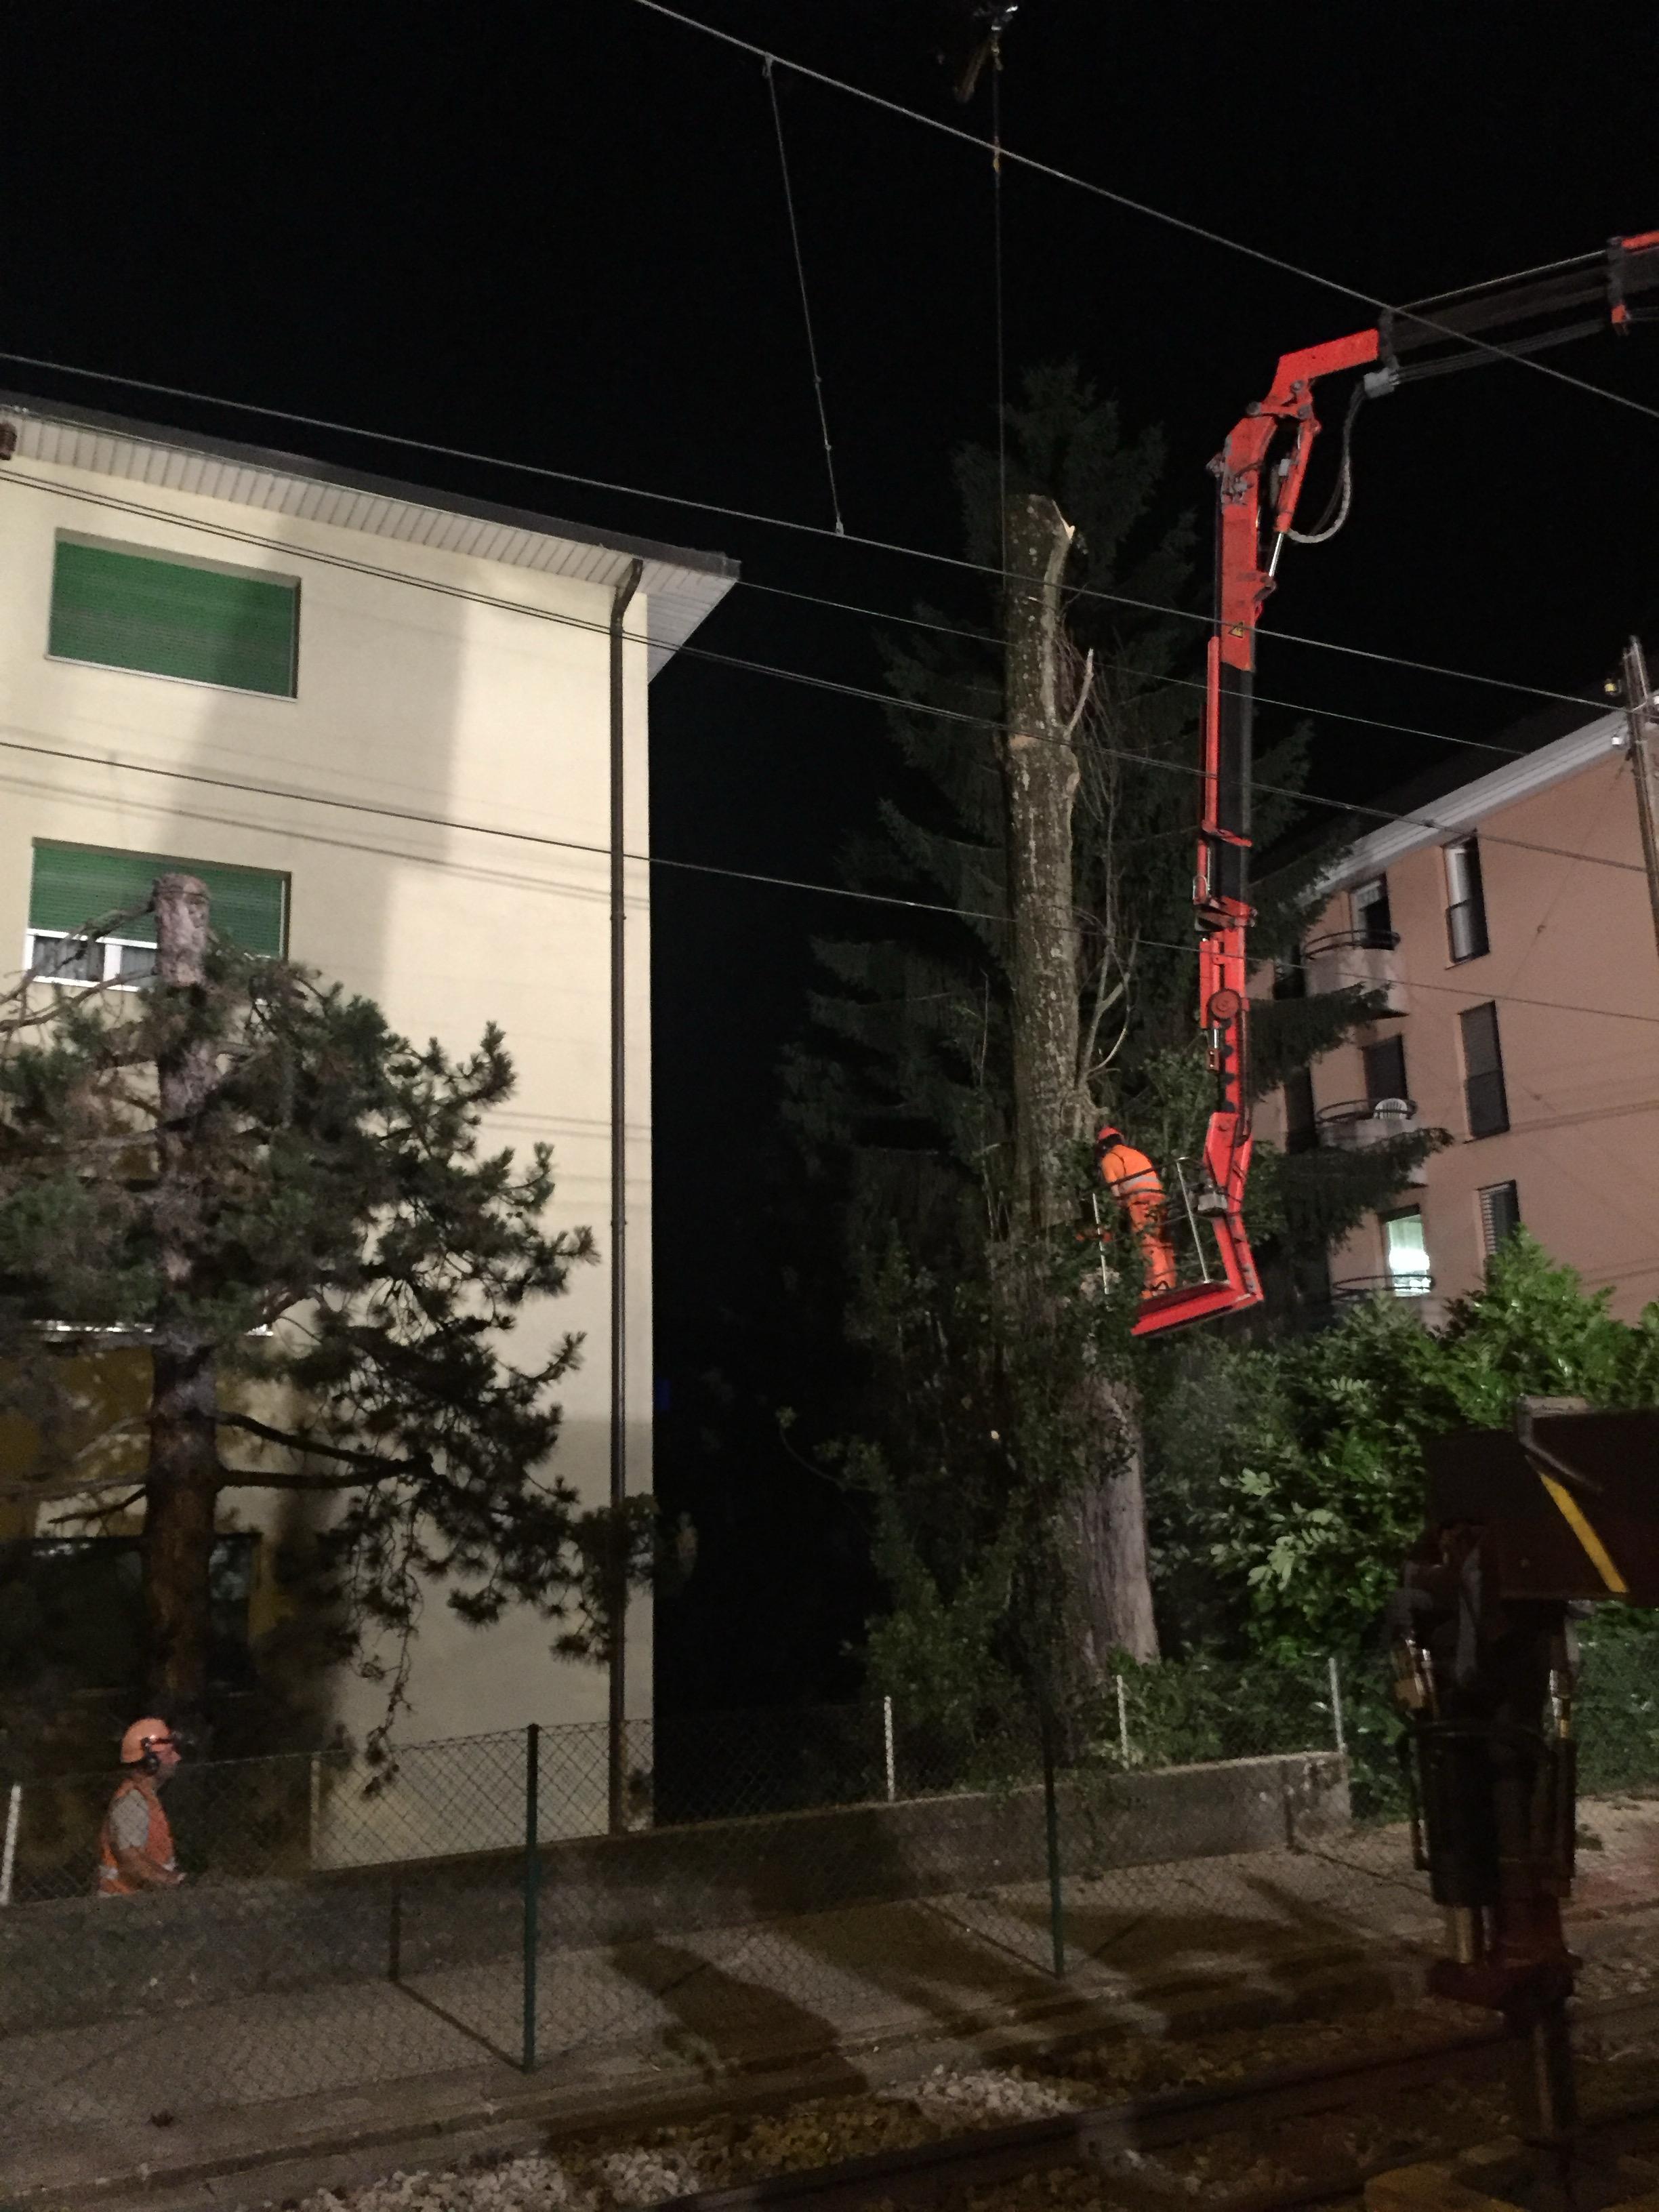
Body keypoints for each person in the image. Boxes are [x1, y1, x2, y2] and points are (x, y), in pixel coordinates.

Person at [96, 1717, 184, 1896]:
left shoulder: (144, 1797)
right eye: (169, 1753)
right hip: (124, 1903)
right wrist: (173, 1881)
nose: (177, 1758)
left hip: (137, 1902)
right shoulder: (132, 1801)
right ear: (151, 1761)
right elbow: (132, 1860)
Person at [1094, 1123, 1178, 1294]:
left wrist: (1118, 1213)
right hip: (1159, 1200)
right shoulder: (1136, 1154)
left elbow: (1116, 1191)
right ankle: (1170, 1283)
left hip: (1140, 1202)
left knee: (1147, 1243)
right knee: (1163, 1242)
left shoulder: (1109, 1160)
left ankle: (1158, 1287)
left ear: (1104, 1146)